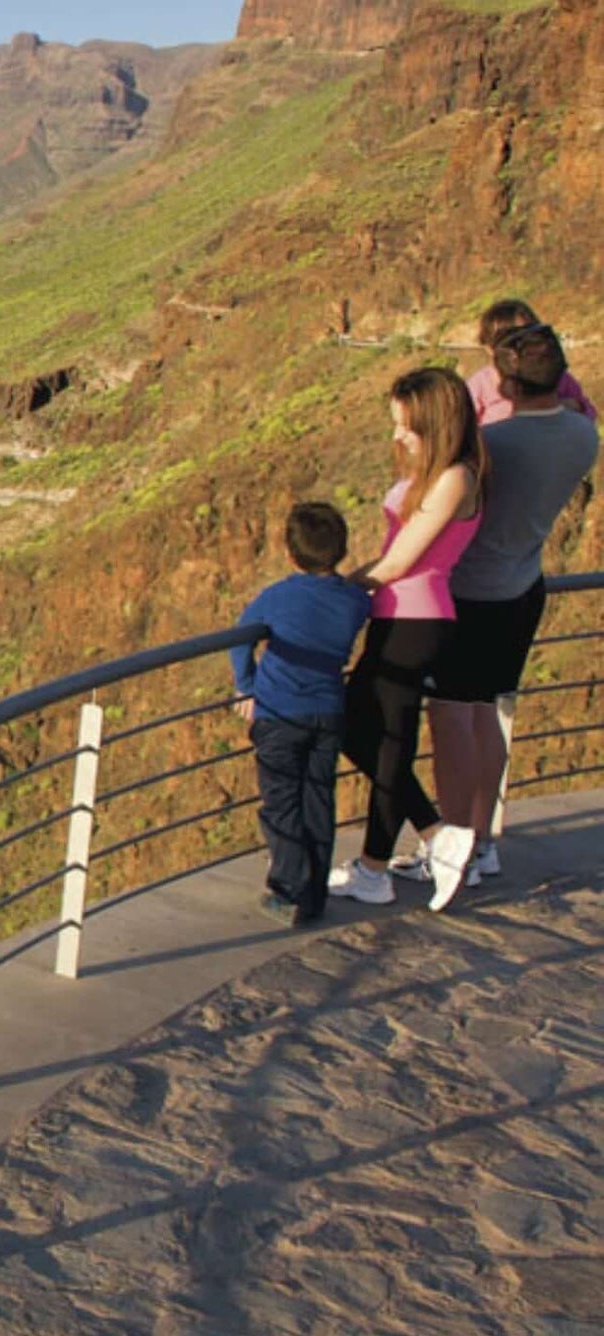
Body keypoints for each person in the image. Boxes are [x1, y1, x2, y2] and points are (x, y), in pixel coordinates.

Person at [394, 323, 599, 885]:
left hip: (469, 596)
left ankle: (452, 848)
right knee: (486, 715)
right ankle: (482, 842)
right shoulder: (584, 436)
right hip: (522, 589)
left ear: (503, 383)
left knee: (452, 723)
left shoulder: (494, 448)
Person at [329, 366, 486, 911]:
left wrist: (335, 590)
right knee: (361, 730)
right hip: (396, 618)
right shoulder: (438, 474)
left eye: (407, 426)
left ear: (436, 423)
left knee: (387, 743)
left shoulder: (455, 480)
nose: (397, 436)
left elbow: (400, 560)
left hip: (416, 623)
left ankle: (375, 868)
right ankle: (437, 833)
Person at [231, 503, 372, 925]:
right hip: (328, 710)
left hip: (279, 712)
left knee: (281, 803)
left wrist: (247, 686)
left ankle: (288, 890)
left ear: (290, 554)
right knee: (317, 799)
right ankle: (314, 896)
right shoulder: (353, 601)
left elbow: (240, 639)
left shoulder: (278, 597)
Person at [467, 298, 594, 425]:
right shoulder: (480, 385)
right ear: (489, 348)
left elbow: (588, 413)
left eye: (529, 336)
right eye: (510, 342)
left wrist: (574, 406)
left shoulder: (556, 376)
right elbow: (464, 425)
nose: (522, 345)